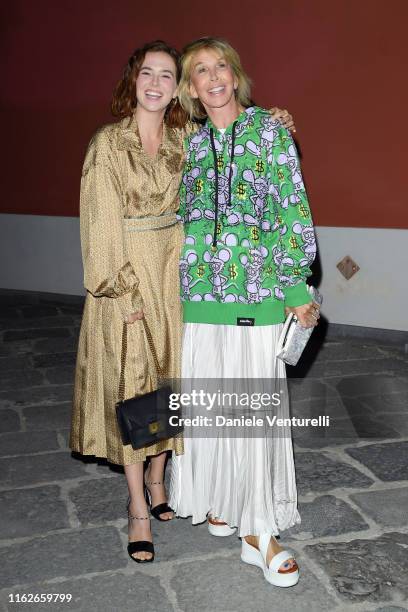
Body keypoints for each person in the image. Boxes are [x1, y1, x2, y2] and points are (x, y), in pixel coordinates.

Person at [70, 39, 295, 564]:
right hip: (126, 277)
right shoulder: (108, 143)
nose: (156, 83)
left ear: (180, 89)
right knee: (132, 388)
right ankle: (137, 509)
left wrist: (274, 118)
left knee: (173, 385)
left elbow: (233, 135)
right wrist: (122, 291)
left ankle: (161, 480)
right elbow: (98, 225)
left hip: (178, 278)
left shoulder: (185, 139)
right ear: (133, 80)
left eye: (167, 75)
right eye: (147, 73)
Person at [170, 37, 320, 587]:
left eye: (221, 68)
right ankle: (220, 501)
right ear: (190, 88)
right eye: (200, 71)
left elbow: (291, 208)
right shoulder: (189, 145)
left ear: (235, 76)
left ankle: (258, 529)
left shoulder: (269, 132)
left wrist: (296, 285)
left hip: (255, 298)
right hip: (197, 299)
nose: (213, 78)